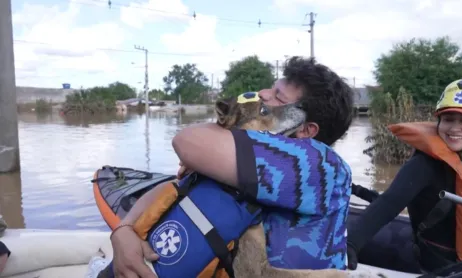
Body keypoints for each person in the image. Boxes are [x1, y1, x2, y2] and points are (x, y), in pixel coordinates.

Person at [108, 56, 355, 277]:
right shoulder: (262, 159)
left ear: (306, 130)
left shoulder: (318, 162)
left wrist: (216, 138)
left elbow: (185, 141)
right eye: (271, 87)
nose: (262, 94)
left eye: (277, 96)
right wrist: (124, 230)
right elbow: (175, 187)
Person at [346, 79, 462, 274]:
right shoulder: (424, 165)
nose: (454, 128)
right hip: (445, 268)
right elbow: (389, 203)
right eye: (448, 119)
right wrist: (352, 242)